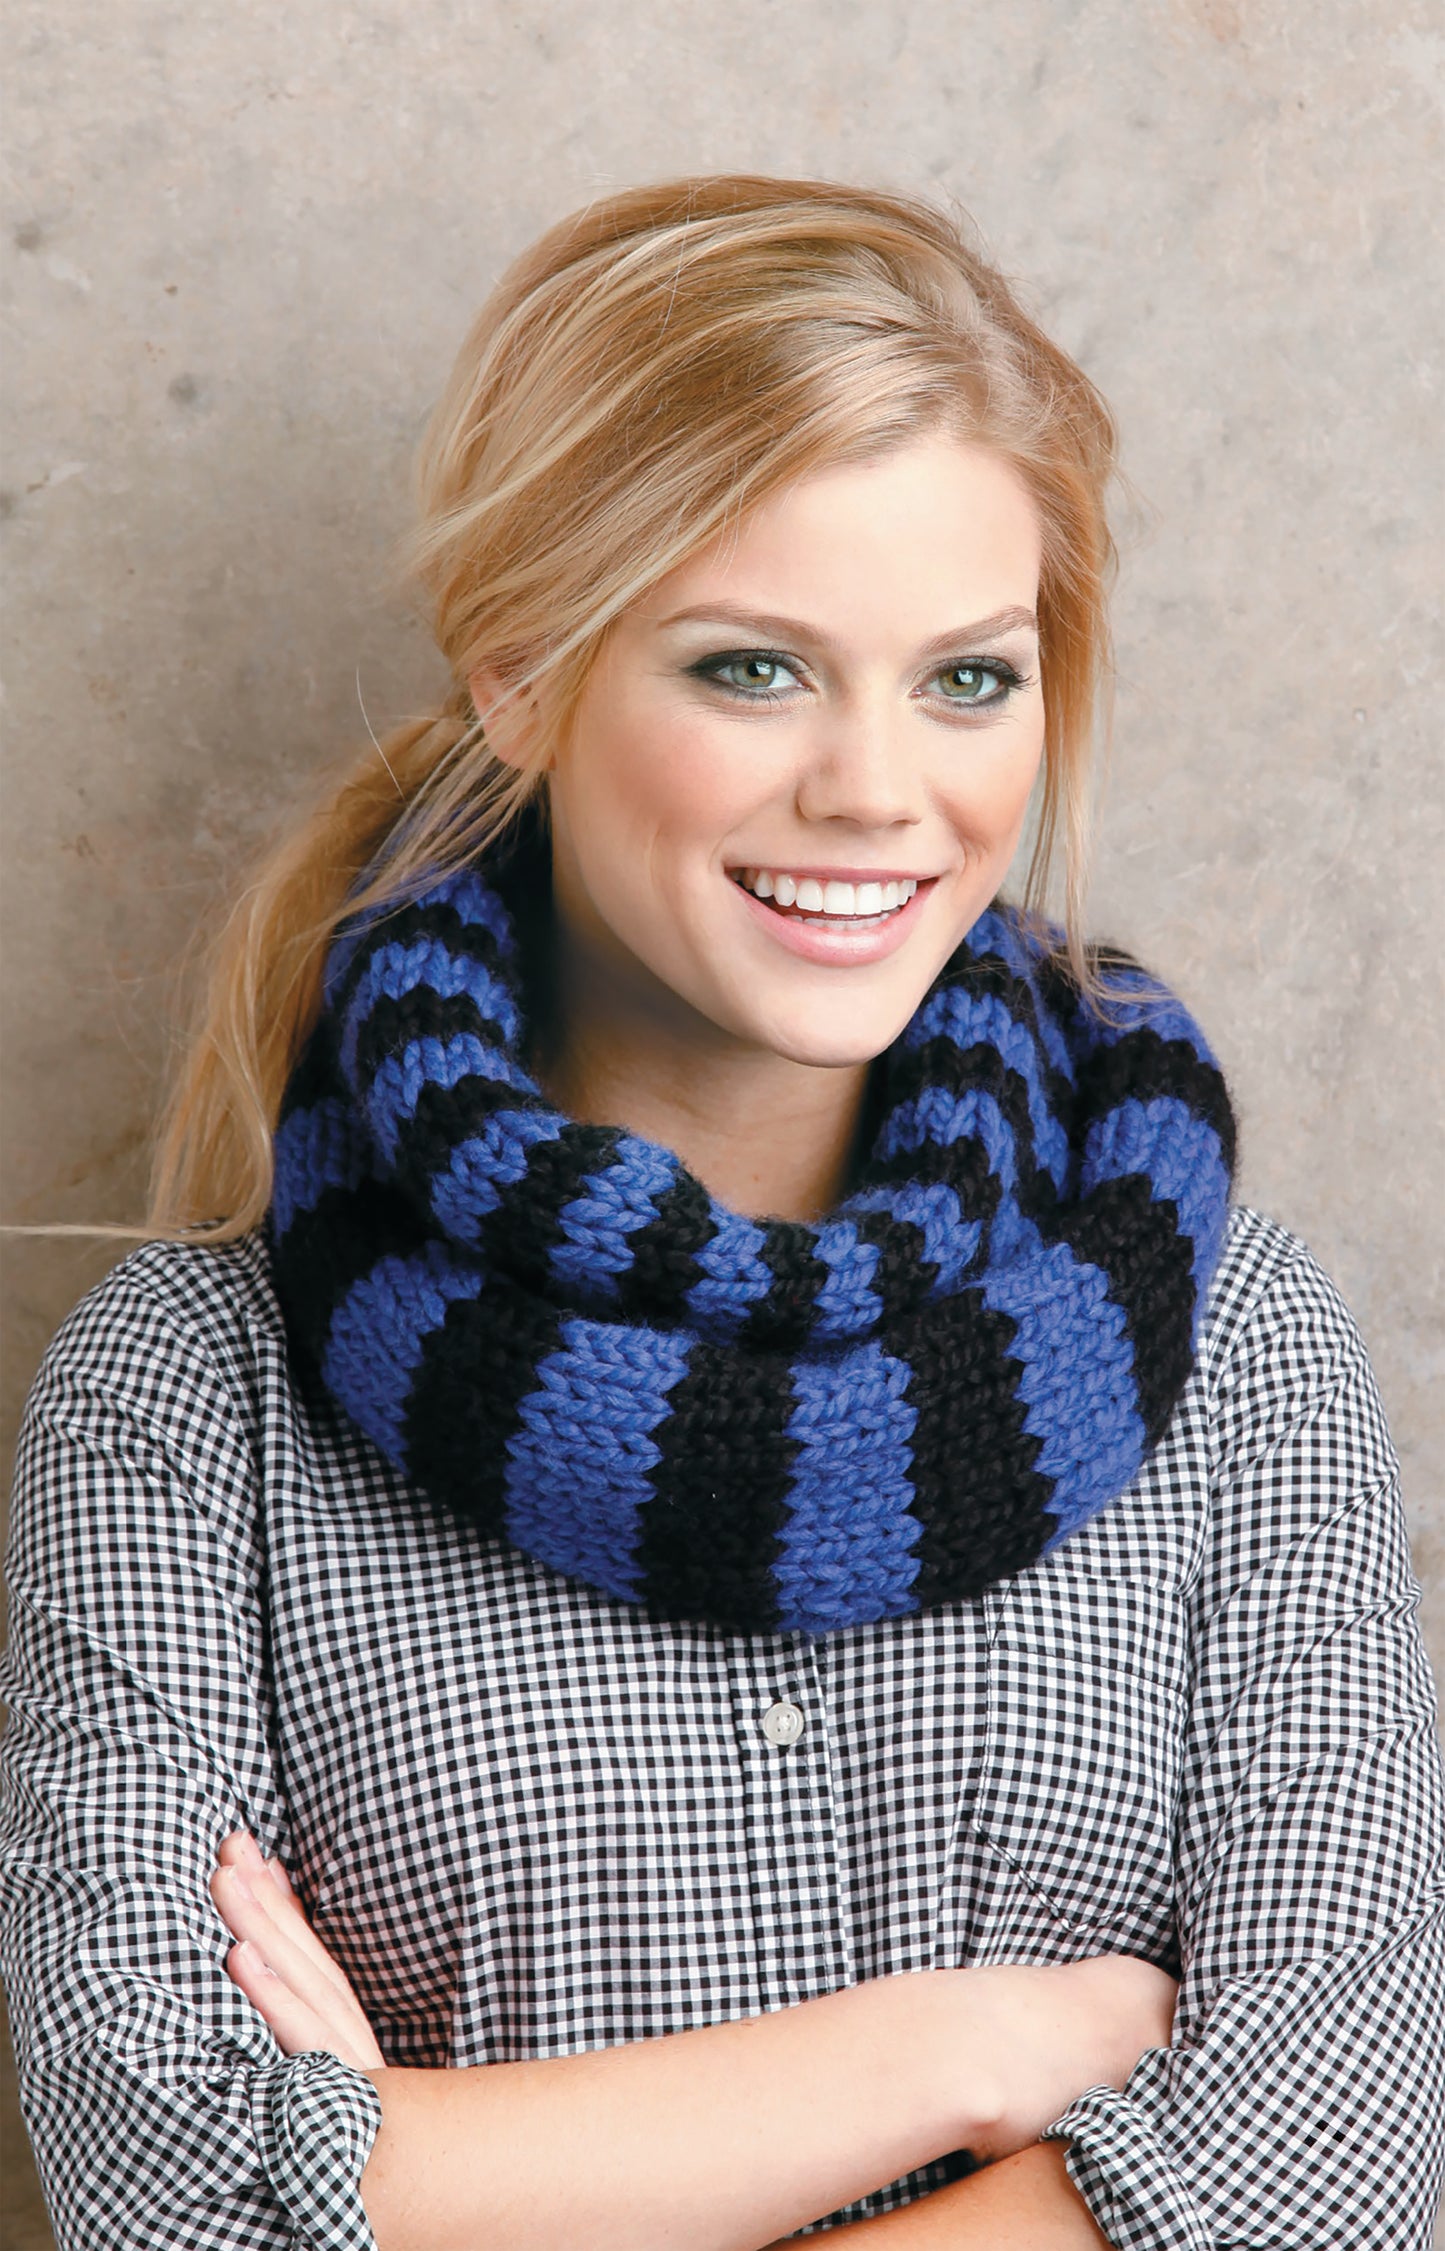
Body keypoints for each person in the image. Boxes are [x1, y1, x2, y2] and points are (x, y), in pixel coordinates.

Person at [2, 174, 1441, 2251]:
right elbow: (176, 2203)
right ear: (522, 676)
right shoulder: (192, 1402)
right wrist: (958, 2054)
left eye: (965, 680)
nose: (880, 789)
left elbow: (1332, 2180)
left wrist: (407, 2171)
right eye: (755, 668)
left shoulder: (1225, 1341)